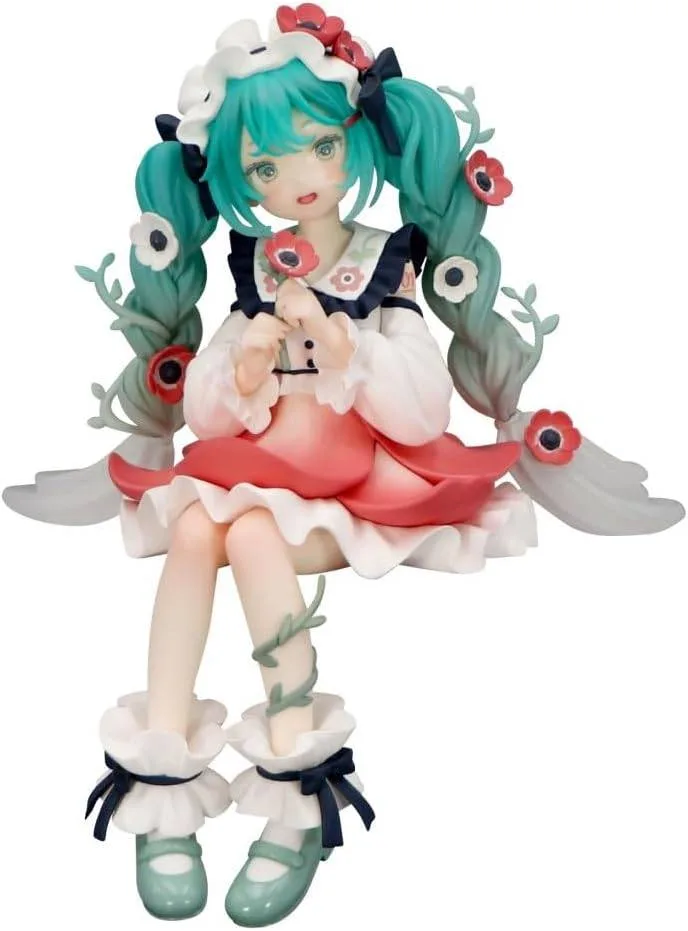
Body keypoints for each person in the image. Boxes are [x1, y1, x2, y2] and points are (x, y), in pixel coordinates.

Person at [3, 5, 684, 926]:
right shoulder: (252, 270)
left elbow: (424, 406)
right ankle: (162, 773)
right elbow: (204, 410)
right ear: (240, 179)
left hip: (352, 484)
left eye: (320, 149)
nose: (299, 181)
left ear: (354, 143)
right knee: (199, 525)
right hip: (259, 465)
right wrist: (242, 368)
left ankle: (296, 786)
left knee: (247, 531)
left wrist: (347, 352)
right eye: (265, 168)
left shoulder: (381, 263)